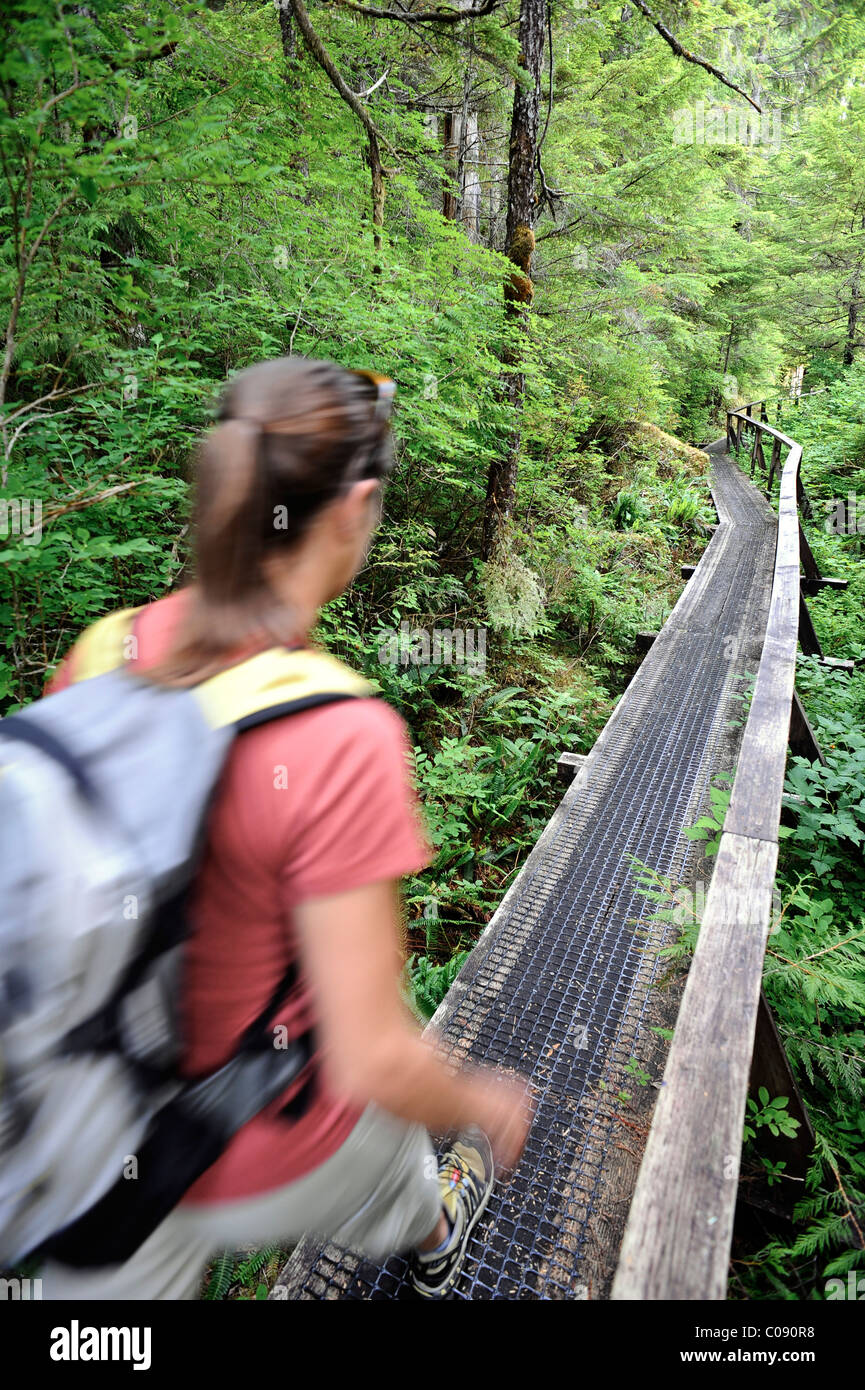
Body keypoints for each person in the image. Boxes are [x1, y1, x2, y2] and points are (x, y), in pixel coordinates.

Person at [39, 355, 533, 1301]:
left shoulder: (103, 652)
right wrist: (482, 1101)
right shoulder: (338, 734)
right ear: (353, 507)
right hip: (272, 1145)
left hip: (96, 1135)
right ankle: (433, 1234)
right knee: (397, 1155)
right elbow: (372, 1054)